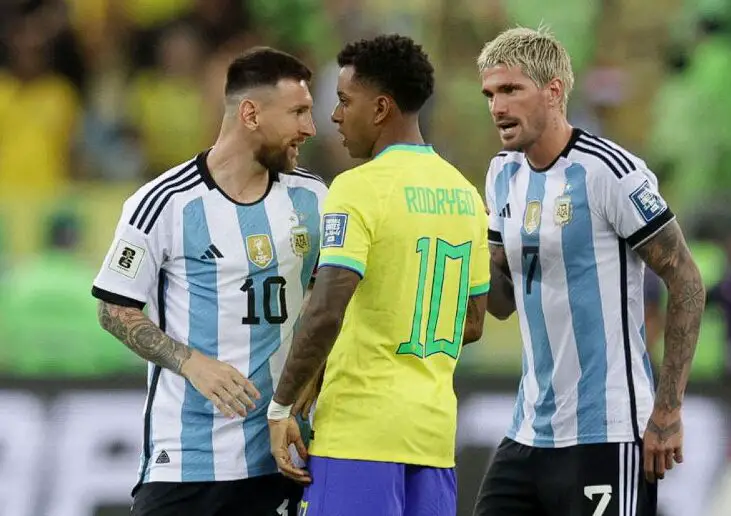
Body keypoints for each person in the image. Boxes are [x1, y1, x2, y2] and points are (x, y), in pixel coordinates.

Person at [473, 27, 705, 516]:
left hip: (607, 430)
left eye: (511, 90)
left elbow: (685, 280)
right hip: (527, 431)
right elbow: (501, 301)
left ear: (554, 90)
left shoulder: (610, 172)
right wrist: (461, 256)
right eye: (490, 94)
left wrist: (666, 410)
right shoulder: (502, 174)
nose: (496, 107)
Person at [92, 47, 326, 516]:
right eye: (298, 112)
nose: (310, 128)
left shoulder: (315, 197)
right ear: (250, 113)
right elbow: (114, 308)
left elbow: (330, 306)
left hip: (283, 456)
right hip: (187, 459)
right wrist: (191, 362)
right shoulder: (163, 202)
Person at [266, 34, 491, 516]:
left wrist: (282, 406)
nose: (334, 115)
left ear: (381, 107)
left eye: (346, 101)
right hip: (432, 439)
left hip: (359, 435)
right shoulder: (466, 195)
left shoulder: (357, 189)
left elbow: (327, 308)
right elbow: (472, 322)